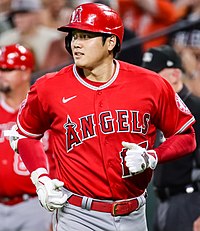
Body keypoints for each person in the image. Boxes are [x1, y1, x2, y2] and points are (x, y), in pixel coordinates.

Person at [5, 3, 197, 231]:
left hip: (134, 213)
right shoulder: (49, 87)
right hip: (77, 214)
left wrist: (153, 156)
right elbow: (26, 135)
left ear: (111, 42)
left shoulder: (150, 84)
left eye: (86, 36)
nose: (76, 43)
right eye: (74, 36)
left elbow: (186, 135)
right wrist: (41, 177)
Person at [142, 44, 200, 231]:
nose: (149, 80)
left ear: (174, 75)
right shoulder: (155, 110)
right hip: (163, 202)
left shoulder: (195, 109)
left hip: (189, 202)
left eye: (155, 74)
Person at [0, 44, 53, 231]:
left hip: (34, 205)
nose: (1, 74)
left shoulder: (43, 107)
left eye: (7, 69)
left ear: (25, 73)